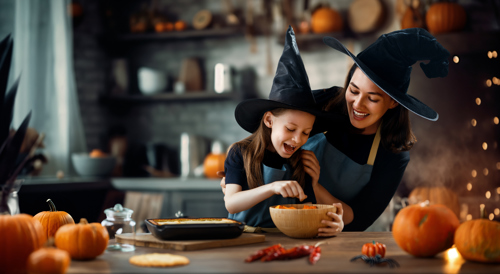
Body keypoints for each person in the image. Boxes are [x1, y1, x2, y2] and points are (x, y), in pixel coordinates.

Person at [301, 28, 450, 231]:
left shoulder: (394, 152)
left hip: (332, 235)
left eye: (372, 98)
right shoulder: (322, 103)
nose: (357, 105)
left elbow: (361, 216)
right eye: (353, 91)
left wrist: (314, 187)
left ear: (393, 103)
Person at [223, 26, 345, 235]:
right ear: (269, 120)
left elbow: (308, 208)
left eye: (306, 132)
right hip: (242, 239)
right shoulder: (240, 152)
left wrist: (335, 221)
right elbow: (232, 203)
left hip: (285, 240)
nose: (298, 139)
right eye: (290, 128)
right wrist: (272, 187)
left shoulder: (301, 162)